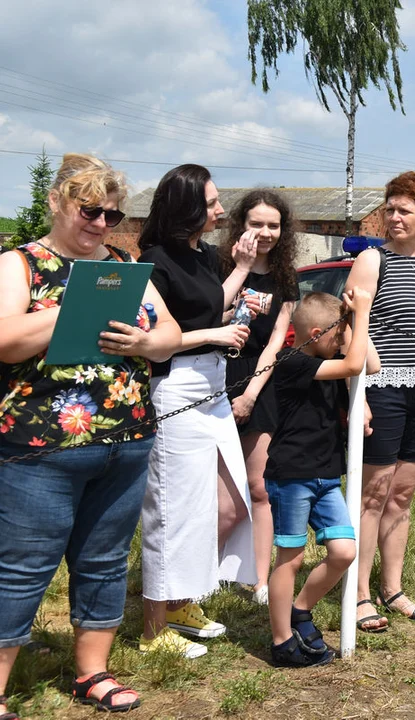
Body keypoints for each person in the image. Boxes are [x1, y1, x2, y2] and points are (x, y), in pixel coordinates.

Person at [0, 154, 182, 716]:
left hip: (126, 440)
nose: (101, 223)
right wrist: (72, 309)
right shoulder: (20, 264)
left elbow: (171, 333)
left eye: (111, 214)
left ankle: (92, 673)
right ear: (57, 201)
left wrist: (147, 344)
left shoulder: (125, 265)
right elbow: (4, 341)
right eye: (90, 210)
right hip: (40, 446)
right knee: (23, 565)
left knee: (103, 560)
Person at [138, 164, 259, 659]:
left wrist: (243, 269)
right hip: (176, 387)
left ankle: (181, 600)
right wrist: (213, 334)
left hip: (210, 385)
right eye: (211, 203)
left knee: (231, 503)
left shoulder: (205, 255)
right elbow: (154, 344)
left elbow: (211, 304)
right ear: (187, 207)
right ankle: (153, 631)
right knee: (171, 512)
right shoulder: (154, 261)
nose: (220, 210)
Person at [344, 172, 415, 629]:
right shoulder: (373, 261)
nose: (393, 218)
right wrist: (362, 392)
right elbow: (352, 327)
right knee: (372, 493)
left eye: (403, 210)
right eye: (389, 209)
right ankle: (360, 593)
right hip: (383, 389)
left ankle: (393, 589)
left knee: (403, 495)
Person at [265, 290, 376, 666]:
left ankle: (301, 609)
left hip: (326, 475)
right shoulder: (292, 361)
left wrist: (354, 321)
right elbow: (353, 365)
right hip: (292, 475)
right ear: (315, 332)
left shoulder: (330, 357)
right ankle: (281, 641)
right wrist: (357, 319)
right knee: (291, 558)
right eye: (337, 333)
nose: (342, 340)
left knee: (345, 551)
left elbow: (369, 365)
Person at [218, 190, 300, 605]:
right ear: (240, 225)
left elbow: (274, 345)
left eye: (273, 225)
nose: (265, 232)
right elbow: (204, 318)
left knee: (259, 486)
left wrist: (251, 395)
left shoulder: (286, 278)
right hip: (214, 375)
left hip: (259, 383)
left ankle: (259, 580)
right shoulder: (220, 265)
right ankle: (206, 573)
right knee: (214, 487)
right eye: (256, 224)